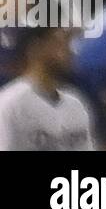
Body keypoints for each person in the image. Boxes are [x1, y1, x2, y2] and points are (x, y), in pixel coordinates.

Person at [0, 22, 96, 151]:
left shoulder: (76, 103)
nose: (70, 50)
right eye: (61, 41)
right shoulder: (10, 104)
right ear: (36, 47)